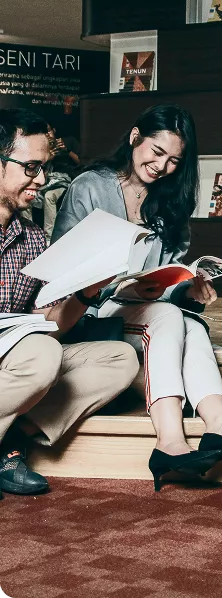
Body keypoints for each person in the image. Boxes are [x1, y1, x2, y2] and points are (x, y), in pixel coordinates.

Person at [52, 104, 222, 491]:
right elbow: (63, 270)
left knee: (187, 319)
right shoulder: (90, 186)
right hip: (87, 308)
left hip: (142, 308)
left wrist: (185, 286)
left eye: (174, 160)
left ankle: (221, 424)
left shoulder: (172, 200)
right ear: (134, 138)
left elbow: (165, 276)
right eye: (156, 153)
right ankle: (169, 438)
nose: (163, 166)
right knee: (169, 319)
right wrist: (123, 288)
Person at [0, 108, 139, 500]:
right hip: (18, 360)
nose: (41, 180)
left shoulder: (31, 239)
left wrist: (87, 291)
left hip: (16, 359)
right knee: (41, 352)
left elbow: (50, 324)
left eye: (44, 167)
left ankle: (10, 435)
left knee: (120, 360)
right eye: (30, 167)